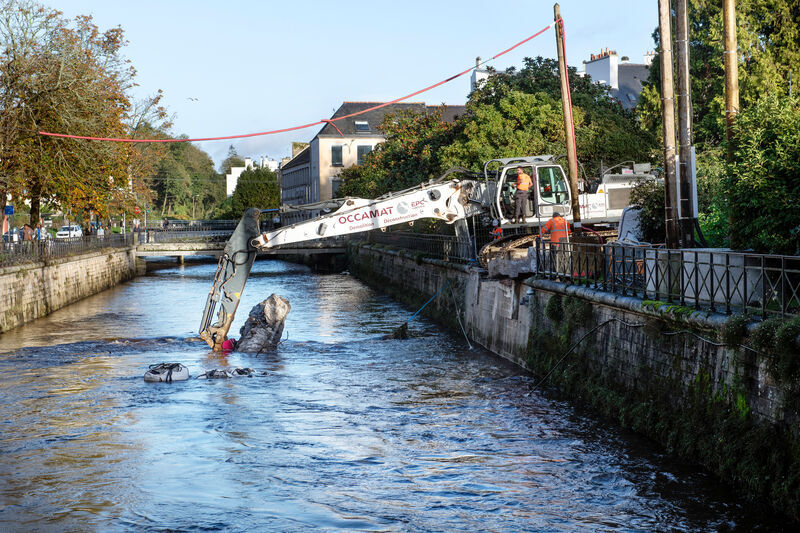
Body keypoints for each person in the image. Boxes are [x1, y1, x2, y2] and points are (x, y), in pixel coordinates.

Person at [541, 210, 571, 277]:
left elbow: (544, 229)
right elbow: (569, 231)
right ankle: (565, 273)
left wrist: (539, 236)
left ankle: (555, 273)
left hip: (555, 243)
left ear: (553, 216)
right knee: (565, 257)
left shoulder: (551, 221)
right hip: (564, 242)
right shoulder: (565, 221)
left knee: (555, 258)